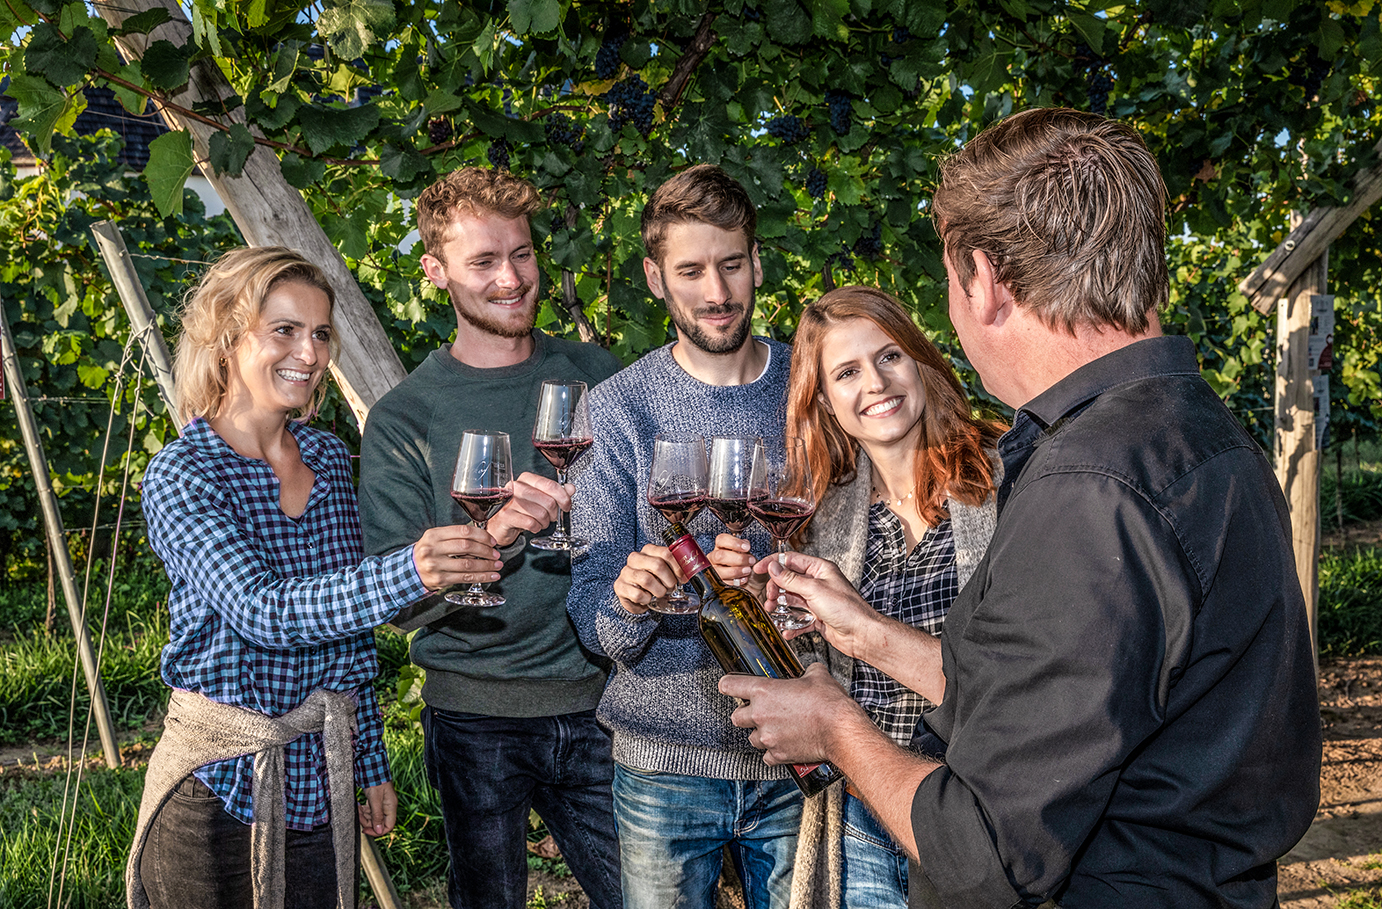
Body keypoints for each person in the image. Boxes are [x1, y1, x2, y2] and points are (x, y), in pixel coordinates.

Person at [719, 107, 1322, 908]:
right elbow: (1058, 696)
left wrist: (836, 727)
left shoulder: (1089, 490)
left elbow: (986, 854)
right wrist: (865, 631)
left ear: (984, 279)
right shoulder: (1200, 434)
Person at [129, 246, 494, 909]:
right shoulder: (185, 473)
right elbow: (262, 610)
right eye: (285, 329)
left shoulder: (326, 456)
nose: (310, 350)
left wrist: (369, 761)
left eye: (321, 332)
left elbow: (345, 634)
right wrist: (410, 569)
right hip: (218, 787)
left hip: (316, 783)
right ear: (228, 336)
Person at [357, 167, 623, 909]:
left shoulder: (596, 373)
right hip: (476, 719)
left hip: (600, 705)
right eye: (483, 261)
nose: (511, 278)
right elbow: (400, 603)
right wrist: (497, 535)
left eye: (523, 254)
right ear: (435, 271)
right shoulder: (404, 418)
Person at [711, 285, 1005, 908]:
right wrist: (762, 606)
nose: (875, 383)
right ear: (823, 400)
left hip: (981, 806)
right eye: (847, 372)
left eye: (889, 356)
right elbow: (815, 668)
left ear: (921, 361)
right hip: (867, 812)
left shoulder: (1006, 480)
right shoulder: (823, 515)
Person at [567, 163, 801, 909]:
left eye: (732, 265)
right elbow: (592, 614)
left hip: (799, 748)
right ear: (655, 277)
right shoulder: (617, 408)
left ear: (756, 261)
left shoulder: (816, 390)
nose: (718, 292)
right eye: (692, 270)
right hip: (664, 766)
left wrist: (780, 578)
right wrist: (631, 601)